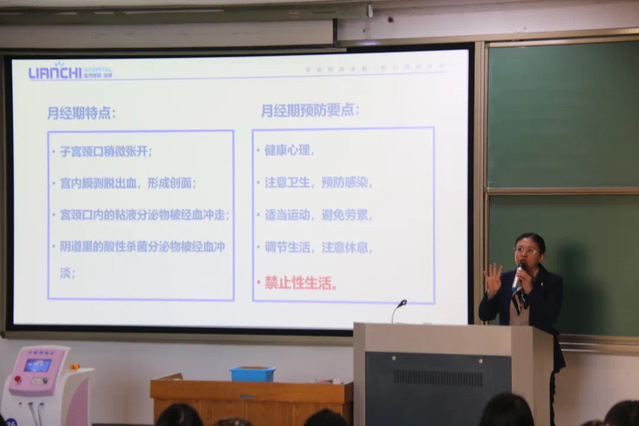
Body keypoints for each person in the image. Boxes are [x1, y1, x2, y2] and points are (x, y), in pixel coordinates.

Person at [478, 232, 565, 426]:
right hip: (507, 353)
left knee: (542, 409)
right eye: (519, 249)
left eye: (530, 250)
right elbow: (485, 315)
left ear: (541, 256)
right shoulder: (505, 279)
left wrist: (530, 290)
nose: (523, 254)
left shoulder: (552, 282)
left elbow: (550, 316)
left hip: (539, 355)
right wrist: (491, 293)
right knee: (507, 411)